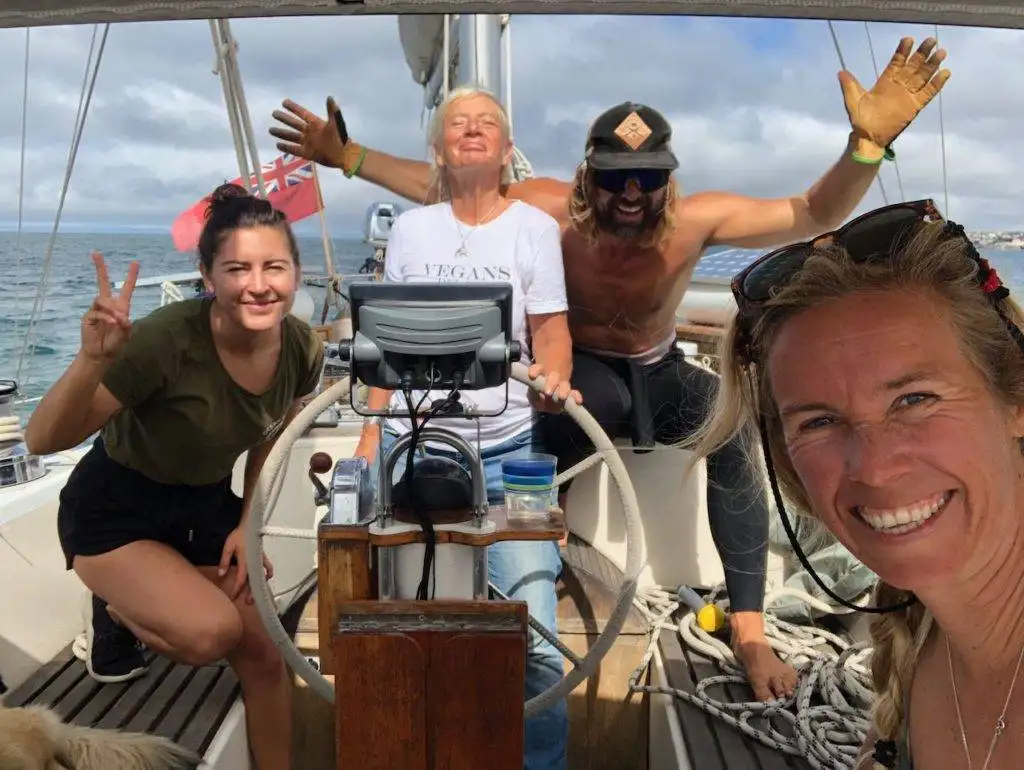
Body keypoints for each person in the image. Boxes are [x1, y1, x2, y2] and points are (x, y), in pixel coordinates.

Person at [268, 36, 950, 700]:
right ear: (588, 177)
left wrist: (865, 148)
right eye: (615, 178)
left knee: (737, 435)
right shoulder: (549, 210)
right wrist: (346, 155)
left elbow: (811, 212)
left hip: (659, 368)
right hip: (583, 373)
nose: (631, 193)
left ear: (669, 179)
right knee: (543, 425)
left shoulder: (697, 221)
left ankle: (748, 627)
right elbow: (444, 183)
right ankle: (534, 561)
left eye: (648, 178)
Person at [690, 199, 1024, 770]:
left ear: (1014, 400)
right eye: (819, 421)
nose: (874, 467)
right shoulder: (913, 635)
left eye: (914, 400)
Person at [24, 184, 326, 770]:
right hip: (116, 507)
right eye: (237, 268)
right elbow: (43, 440)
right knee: (211, 633)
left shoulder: (300, 349)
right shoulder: (168, 340)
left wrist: (248, 523)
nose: (258, 284)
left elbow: (270, 435)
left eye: (274, 266)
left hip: (203, 505)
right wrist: (92, 360)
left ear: (296, 273)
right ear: (207, 275)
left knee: (267, 657)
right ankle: (114, 610)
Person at [356, 85, 577, 770]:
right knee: (388, 620)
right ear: (439, 148)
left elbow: (551, 333)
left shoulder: (534, 229)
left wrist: (554, 383)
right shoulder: (411, 230)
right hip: (411, 442)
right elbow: (383, 339)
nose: (473, 131)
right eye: (459, 124)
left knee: (536, 634)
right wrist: (368, 435)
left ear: (507, 150)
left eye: (488, 124)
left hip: (511, 451)